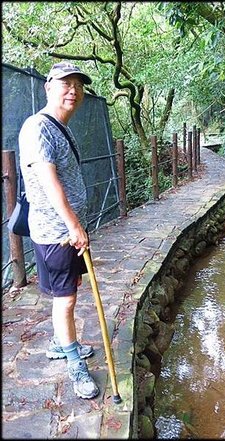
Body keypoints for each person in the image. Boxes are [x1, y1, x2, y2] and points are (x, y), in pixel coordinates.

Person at [19, 61, 99, 399]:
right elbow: (48, 181)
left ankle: (59, 342)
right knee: (65, 300)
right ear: (48, 87)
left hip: (64, 231)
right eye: (66, 83)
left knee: (69, 289)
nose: (73, 91)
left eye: (78, 85)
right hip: (58, 233)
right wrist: (74, 225)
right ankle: (74, 366)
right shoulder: (38, 127)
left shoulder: (57, 126)